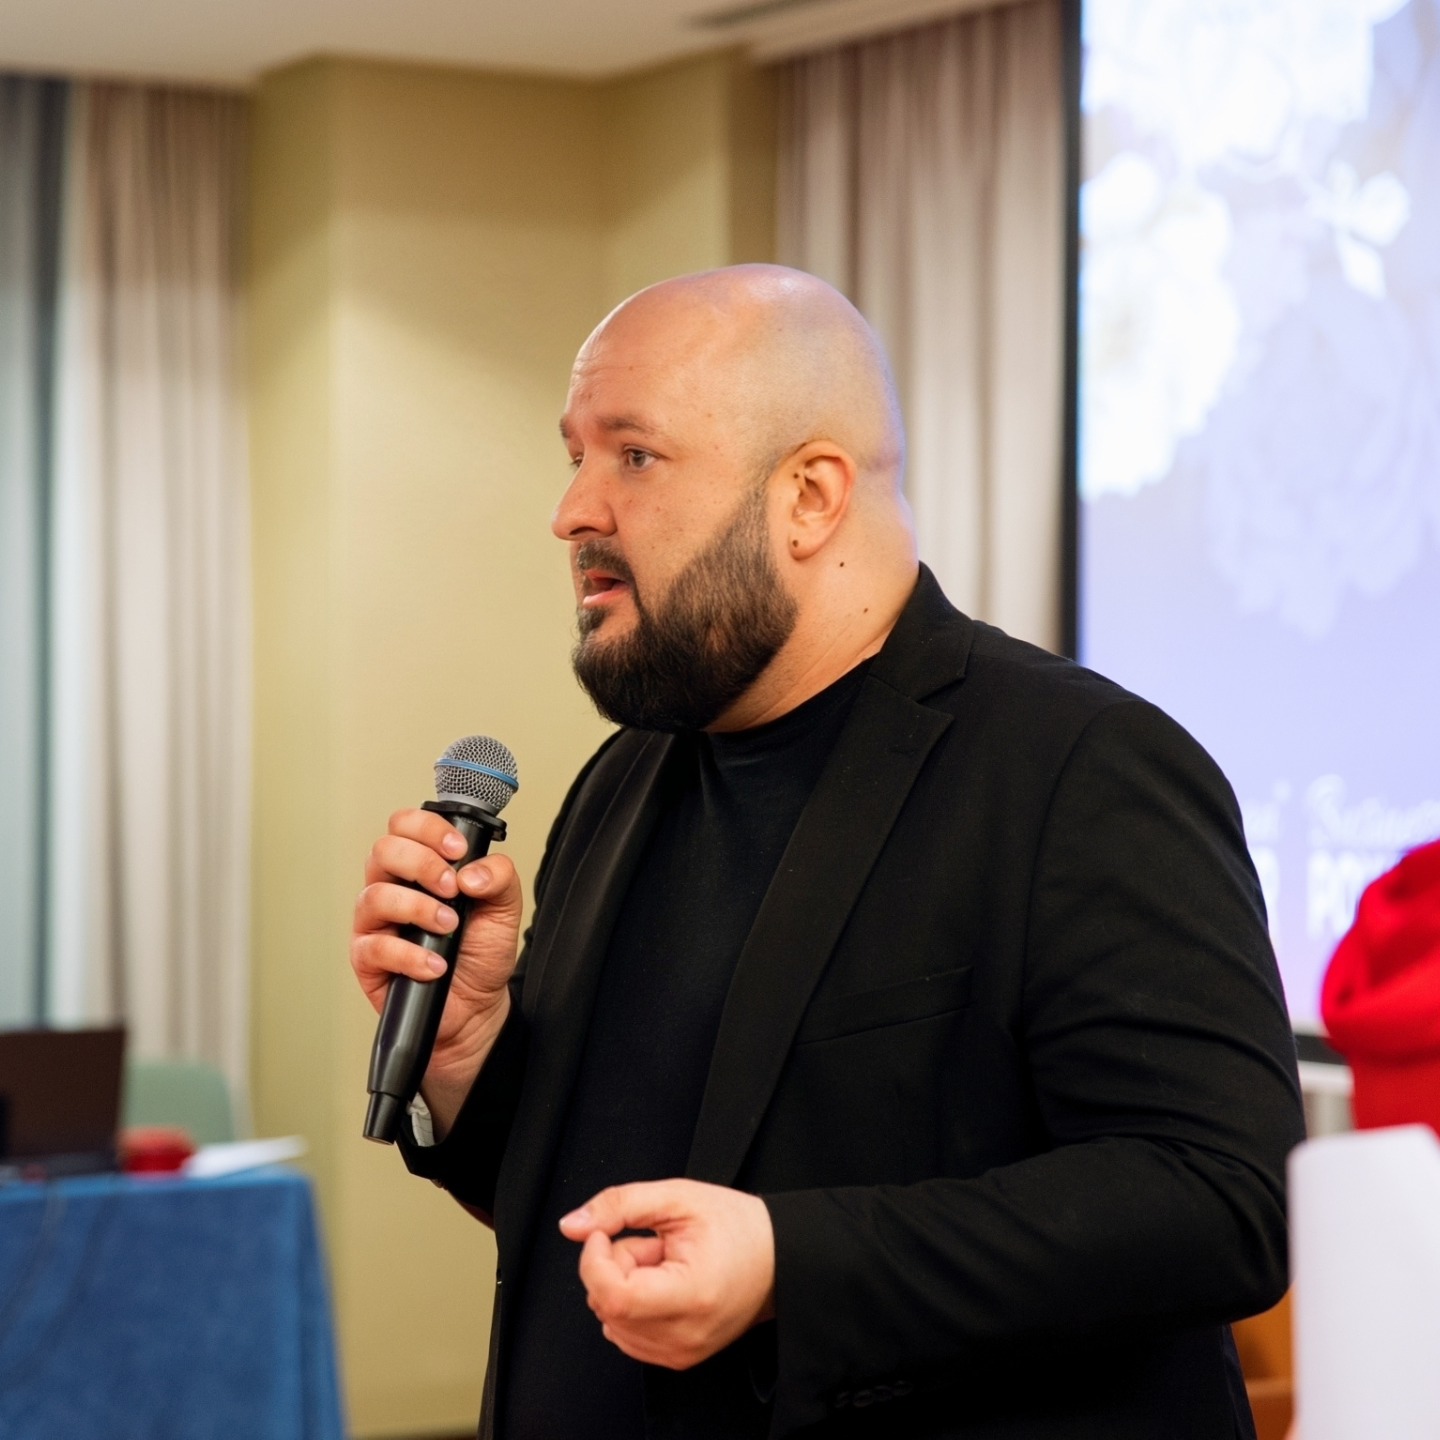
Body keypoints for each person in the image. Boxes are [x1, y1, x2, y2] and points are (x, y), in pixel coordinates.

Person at [350, 265, 1305, 1439]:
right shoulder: (622, 782)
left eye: (634, 456)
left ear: (809, 497)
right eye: (575, 456)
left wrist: (789, 1264)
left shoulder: (1078, 768)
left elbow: (1222, 1200)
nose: (575, 511)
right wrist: (468, 1055)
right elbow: (596, 1215)